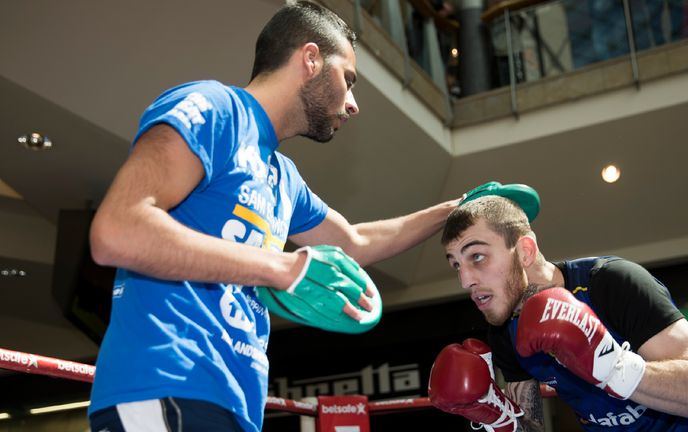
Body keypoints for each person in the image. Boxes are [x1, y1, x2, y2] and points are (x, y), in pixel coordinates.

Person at [86, 2, 465, 431]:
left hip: (233, 405)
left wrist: (454, 210)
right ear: (310, 59)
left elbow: (353, 244)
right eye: (349, 79)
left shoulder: (282, 176)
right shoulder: (215, 108)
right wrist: (282, 267)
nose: (353, 104)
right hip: (166, 386)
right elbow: (117, 230)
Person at [429, 189, 688, 431]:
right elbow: (532, 428)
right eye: (456, 264)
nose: (465, 279)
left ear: (524, 251)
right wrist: (499, 419)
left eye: (477, 257)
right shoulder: (505, 329)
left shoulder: (611, 283)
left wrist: (611, 366)